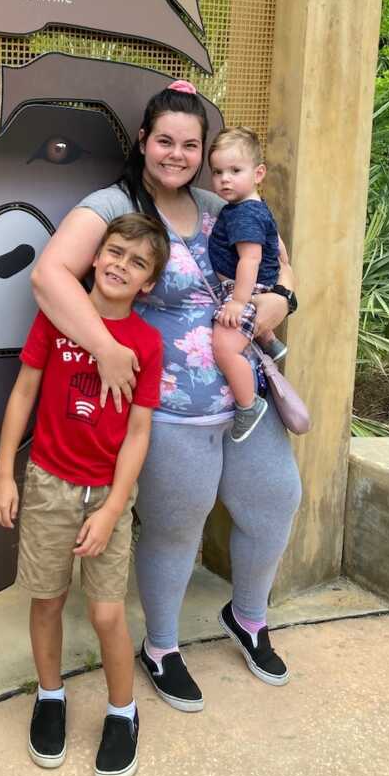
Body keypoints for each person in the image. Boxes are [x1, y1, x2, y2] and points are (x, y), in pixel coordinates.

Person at [30, 81, 302, 711]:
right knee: (177, 527)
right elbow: (49, 277)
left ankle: (250, 617)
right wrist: (104, 345)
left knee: (276, 500)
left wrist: (277, 301)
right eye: (164, 141)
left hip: (243, 392)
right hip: (168, 406)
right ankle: (164, 647)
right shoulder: (112, 205)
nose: (176, 155)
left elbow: (281, 269)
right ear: (144, 143)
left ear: (204, 151)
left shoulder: (222, 201)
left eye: (190, 144)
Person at [0, 213, 168, 776]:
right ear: (94, 257)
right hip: (48, 482)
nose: (121, 265)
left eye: (138, 262)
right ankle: (49, 697)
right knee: (46, 599)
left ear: (148, 284)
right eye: (115, 252)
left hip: (107, 494)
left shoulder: (146, 342)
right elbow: (23, 393)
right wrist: (3, 474)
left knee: (107, 611)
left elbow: (139, 432)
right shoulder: (56, 321)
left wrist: (115, 506)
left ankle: (123, 711)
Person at [208, 126, 287, 444]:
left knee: (224, 349)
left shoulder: (244, 215)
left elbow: (249, 261)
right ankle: (270, 341)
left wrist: (238, 303)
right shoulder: (250, 207)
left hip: (247, 291)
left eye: (235, 171)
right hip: (255, 288)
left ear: (258, 173)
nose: (225, 179)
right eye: (217, 172)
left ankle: (248, 405)